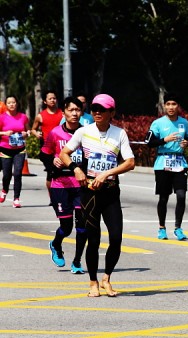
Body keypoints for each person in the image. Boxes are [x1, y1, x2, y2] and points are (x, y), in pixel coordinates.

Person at [59, 94, 135, 298]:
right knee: (93, 239)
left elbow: (130, 162)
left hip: (110, 192)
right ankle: (93, 281)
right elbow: (64, 153)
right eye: (94, 109)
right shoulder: (84, 131)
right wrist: (76, 169)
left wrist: (107, 174)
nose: (97, 112)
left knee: (116, 238)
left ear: (112, 112)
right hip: (90, 193)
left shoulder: (119, 133)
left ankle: (106, 278)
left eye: (102, 109)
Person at [40, 97, 87, 274]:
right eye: (71, 110)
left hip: (81, 185)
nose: (74, 113)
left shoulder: (87, 133)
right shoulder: (55, 133)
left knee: (82, 227)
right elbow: (43, 154)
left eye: (78, 110)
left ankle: (77, 261)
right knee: (66, 227)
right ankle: (56, 244)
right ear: (64, 112)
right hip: (60, 185)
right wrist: (52, 161)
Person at [146, 93, 188, 241]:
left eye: (174, 104)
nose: (171, 107)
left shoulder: (184, 122)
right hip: (163, 163)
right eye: (168, 104)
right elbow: (149, 142)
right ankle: (162, 228)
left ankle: (178, 228)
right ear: (164, 106)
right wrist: (164, 140)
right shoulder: (158, 123)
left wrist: (186, 143)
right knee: (164, 197)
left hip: (179, 162)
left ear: (178, 106)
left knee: (181, 196)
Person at [32, 90, 64, 199]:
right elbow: (33, 129)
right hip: (47, 149)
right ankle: (52, 197)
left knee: (61, 173)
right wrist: (37, 134)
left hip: (61, 147)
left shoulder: (62, 114)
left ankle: (62, 194)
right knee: (51, 173)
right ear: (45, 101)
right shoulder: (40, 116)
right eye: (50, 98)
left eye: (54, 98)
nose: (52, 100)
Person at [0, 96, 30, 208]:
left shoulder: (23, 117)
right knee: (6, 175)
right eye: (9, 103)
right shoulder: (2, 117)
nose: (11, 104)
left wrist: (26, 134)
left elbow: (28, 130)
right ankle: (4, 190)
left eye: (13, 102)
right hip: (5, 149)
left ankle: (16, 199)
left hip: (20, 149)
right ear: (6, 105)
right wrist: (4, 133)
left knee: (17, 174)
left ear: (17, 104)